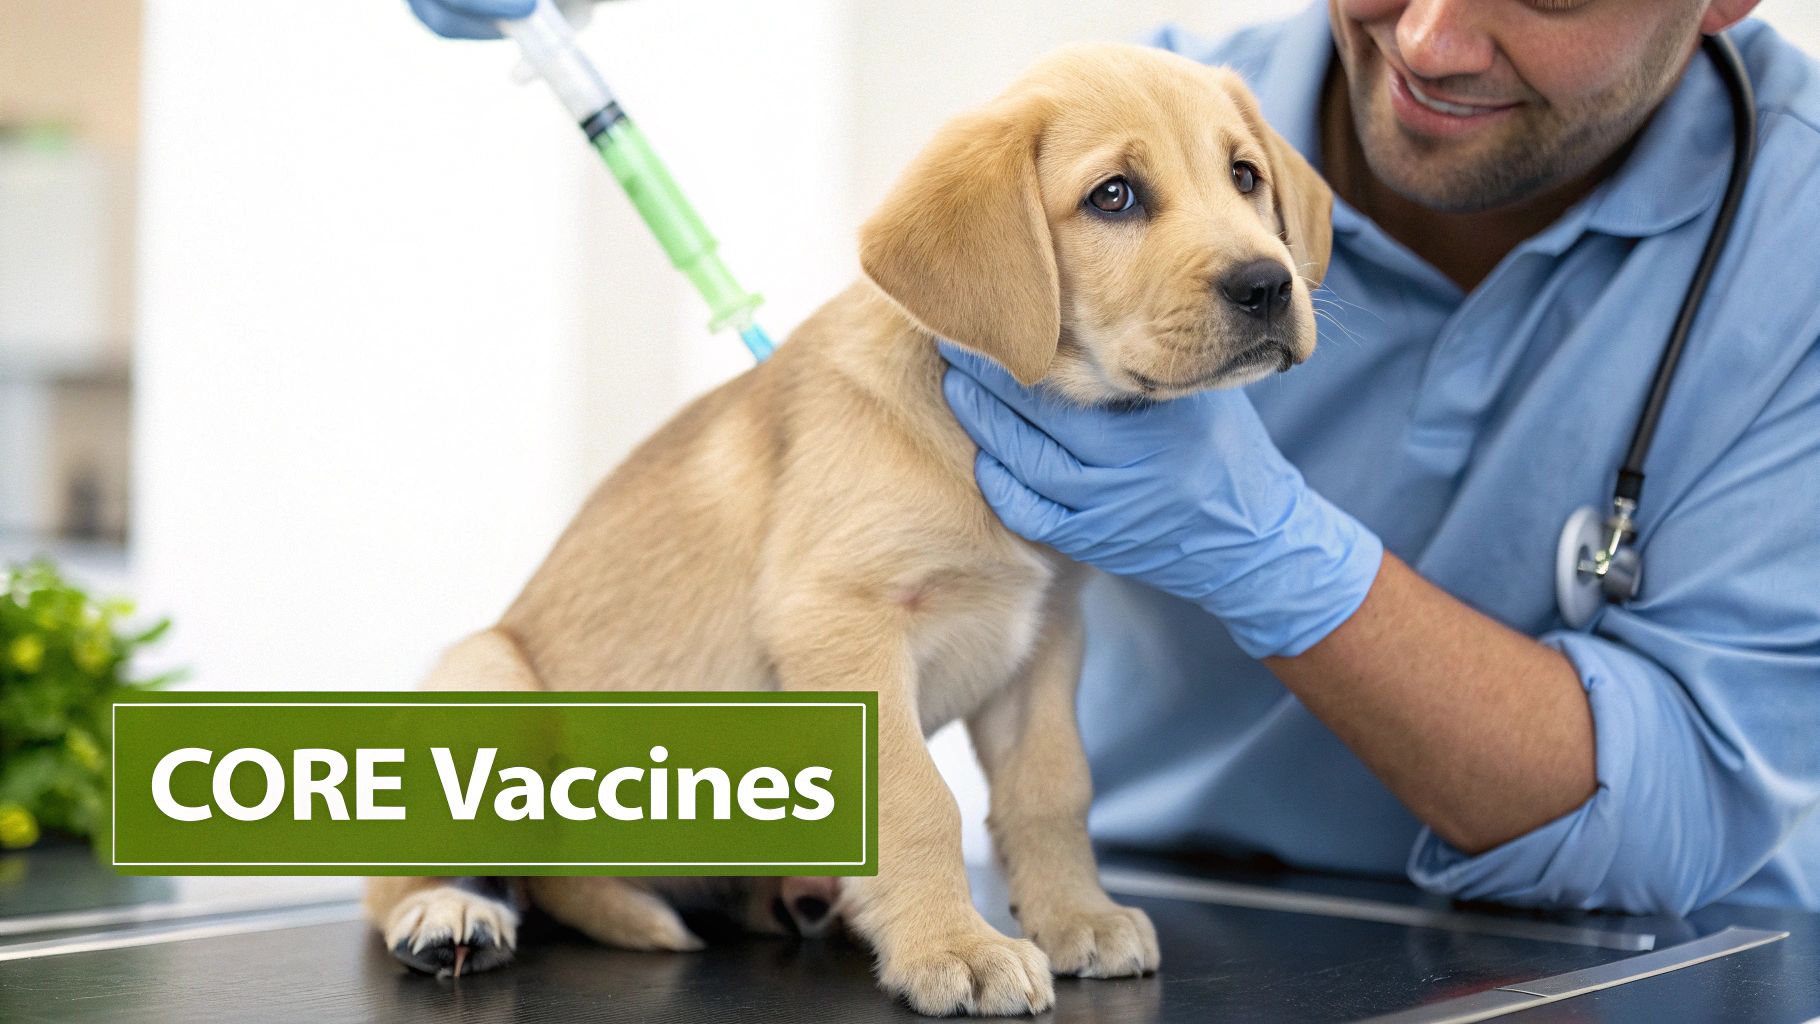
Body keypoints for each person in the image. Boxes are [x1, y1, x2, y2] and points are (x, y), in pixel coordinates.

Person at [413, 0, 1820, 915]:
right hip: (1174, 925)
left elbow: (1684, 815)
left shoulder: (1796, 245)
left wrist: (1279, 555)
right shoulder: (1184, 99)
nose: (1434, 40)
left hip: (1638, 972)